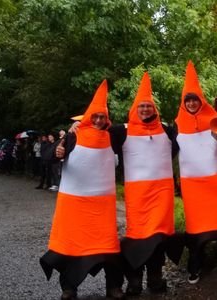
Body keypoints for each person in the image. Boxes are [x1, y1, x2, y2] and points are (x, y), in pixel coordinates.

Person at [40, 80, 124, 300]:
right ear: (88, 117)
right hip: (75, 205)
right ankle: (69, 288)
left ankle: (113, 286)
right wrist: (58, 147)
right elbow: (47, 156)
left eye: (102, 117)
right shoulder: (72, 137)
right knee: (71, 246)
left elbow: (136, 126)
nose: (98, 120)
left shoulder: (113, 136)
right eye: (94, 116)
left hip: (101, 207)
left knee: (108, 246)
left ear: (107, 119)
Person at [112, 72, 181, 296]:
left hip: (161, 194)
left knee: (158, 238)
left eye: (148, 106)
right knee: (137, 237)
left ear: (154, 109)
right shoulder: (121, 131)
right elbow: (95, 131)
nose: (145, 110)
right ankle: (134, 280)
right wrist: (70, 135)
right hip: (138, 195)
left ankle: (155, 278)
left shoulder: (167, 129)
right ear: (135, 108)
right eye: (141, 106)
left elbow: (188, 138)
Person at [175, 61, 217, 284]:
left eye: (194, 99)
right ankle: (195, 263)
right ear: (183, 102)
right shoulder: (176, 124)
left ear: (201, 100)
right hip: (193, 185)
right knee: (196, 227)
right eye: (187, 99)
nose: (191, 103)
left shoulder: (214, 117)